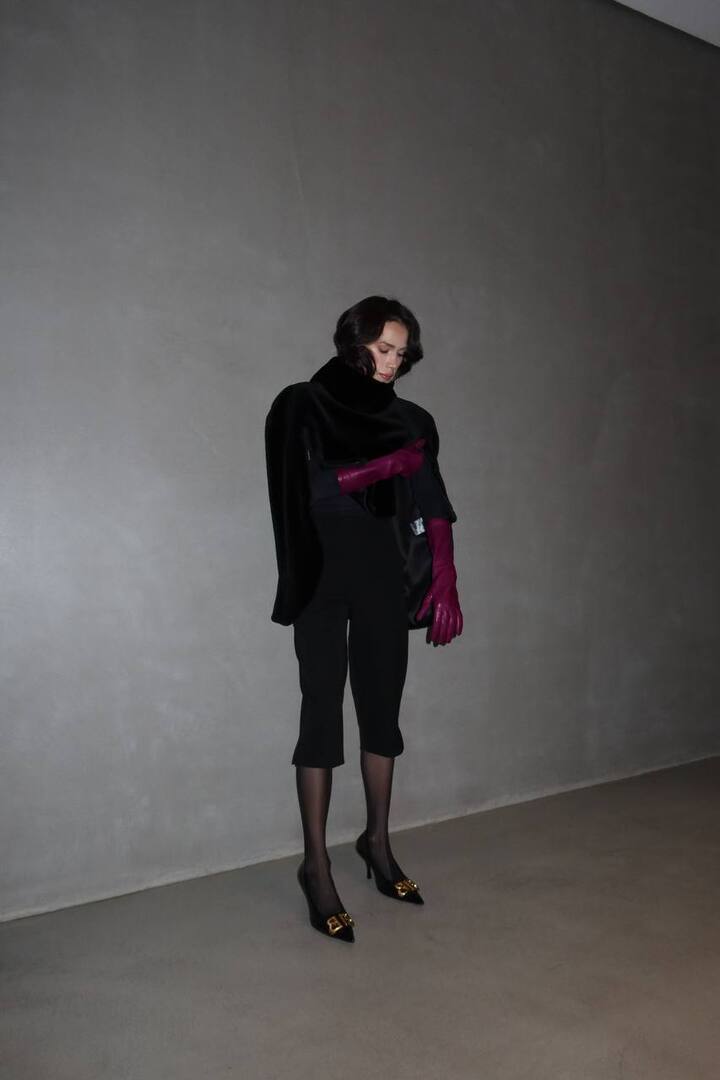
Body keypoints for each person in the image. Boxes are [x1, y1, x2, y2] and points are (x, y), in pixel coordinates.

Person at [264, 295, 463, 943]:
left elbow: (432, 500)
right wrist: (381, 466)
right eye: (383, 349)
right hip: (321, 576)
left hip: (381, 574)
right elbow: (304, 491)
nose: (392, 363)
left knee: (382, 708)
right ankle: (316, 866)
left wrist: (445, 575)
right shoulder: (302, 404)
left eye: (401, 353)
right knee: (321, 711)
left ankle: (376, 843)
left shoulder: (412, 418)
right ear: (354, 343)